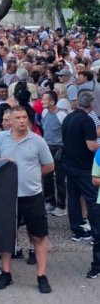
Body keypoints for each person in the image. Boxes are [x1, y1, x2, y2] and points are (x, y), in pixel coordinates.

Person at [0, 106, 54, 294]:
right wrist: (2, 162)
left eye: (24, 117)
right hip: (8, 196)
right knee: (7, 235)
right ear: (10, 120)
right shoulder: (1, 138)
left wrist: (32, 176)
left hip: (32, 196)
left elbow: (49, 166)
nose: (22, 121)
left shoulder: (38, 141)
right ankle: (6, 273)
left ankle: (41, 276)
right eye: (17, 118)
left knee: (38, 236)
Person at [62, 91, 100, 276]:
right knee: (92, 200)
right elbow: (91, 145)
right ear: (91, 104)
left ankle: (76, 229)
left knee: (73, 198)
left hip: (68, 163)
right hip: (84, 167)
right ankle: (95, 231)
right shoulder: (87, 120)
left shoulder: (69, 117)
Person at [40, 91, 67, 216]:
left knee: (60, 178)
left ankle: (61, 206)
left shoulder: (62, 115)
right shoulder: (44, 112)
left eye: (45, 99)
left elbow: (67, 132)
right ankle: (49, 202)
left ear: (52, 102)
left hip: (59, 148)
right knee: (46, 176)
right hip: (46, 147)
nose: (42, 101)